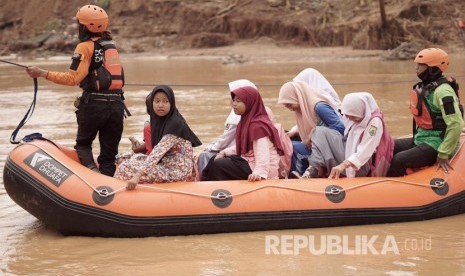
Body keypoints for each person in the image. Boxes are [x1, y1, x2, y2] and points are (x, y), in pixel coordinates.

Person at [25, 4, 128, 176]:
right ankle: (107, 185)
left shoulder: (84, 47)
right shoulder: (111, 46)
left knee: (83, 145)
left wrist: (42, 73)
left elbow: (73, 79)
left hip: (94, 106)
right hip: (117, 106)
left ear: (84, 26)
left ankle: (92, 174)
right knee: (109, 156)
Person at [387, 48, 464, 176]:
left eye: (420, 66)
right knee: (387, 146)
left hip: (438, 142)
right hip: (423, 138)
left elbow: (456, 124)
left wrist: (444, 153)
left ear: (433, 68)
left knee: (399, 160)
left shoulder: (444, 92)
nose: (416, 69)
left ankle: (392, 191)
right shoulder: (427, 86)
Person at [114, 85, 202, 189]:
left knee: (124, 168)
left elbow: (157, 152)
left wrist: (137, 176)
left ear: (172, 103)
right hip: (166, 164)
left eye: (165, 101)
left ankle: (116, 195)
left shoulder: (175, 124)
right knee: (131, 159)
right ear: (152, 104)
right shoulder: (161, 121)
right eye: (157, 101)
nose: (160, 105)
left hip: (176, 171)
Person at [303, 92, 394, 179]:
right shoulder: (357, 117)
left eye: (352, 116)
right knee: (319, 131)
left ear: (360, 111)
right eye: (347, 115)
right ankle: (314, 168)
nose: (349, 119)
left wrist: (343, 165)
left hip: (360, 165)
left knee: (320, 134)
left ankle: (317, 168)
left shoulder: (374, 123)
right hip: (349, 151)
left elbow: (365, 150)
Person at [205, 86, 284, 181]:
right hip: (249, 160)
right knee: (213, 160)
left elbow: (262, 151)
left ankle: (216, 192)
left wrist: (259, 173)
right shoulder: (246, 121)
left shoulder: (258, 126)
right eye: (233, 100)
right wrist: (224, 152)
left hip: (262, 168)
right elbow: (244, 146)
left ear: (249, 103)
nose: (234, 104)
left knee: (219, 165)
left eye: (238, 101)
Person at [278, 81, 344, 176]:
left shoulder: (320, 107)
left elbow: (340, 129)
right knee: (289, 144)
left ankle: (300, 174)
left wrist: (315, 135)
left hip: (330, 149)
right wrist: (294, 133)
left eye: (289, 104)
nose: (290, 109)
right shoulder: (303, 110)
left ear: (298, 97)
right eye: (286, 106)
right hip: (317, 146)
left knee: (294, 148)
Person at [197, 79, 257, 178]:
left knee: (207, 156)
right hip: (237, 151)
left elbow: (225, 139)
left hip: (245, 158)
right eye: (233, 98)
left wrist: (212, 148)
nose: (233, 102)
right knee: (212, 159)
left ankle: (203, 181)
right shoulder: (240, 112)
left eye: (238, 99)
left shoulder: (238, 115)